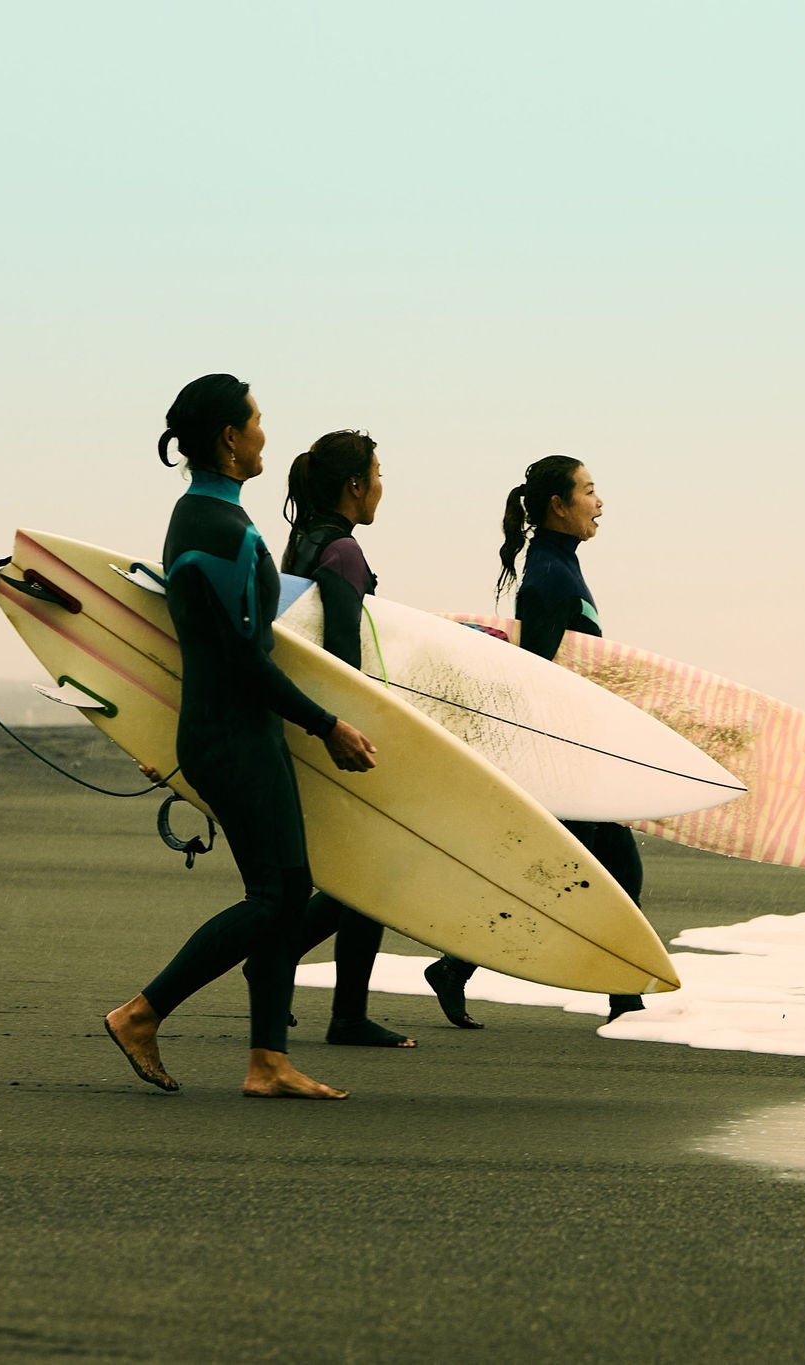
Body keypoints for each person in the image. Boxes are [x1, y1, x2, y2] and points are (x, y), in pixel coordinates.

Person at [102, 375, 376, 1099]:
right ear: (230, 437)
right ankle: (141, 1013)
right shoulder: (217, 531)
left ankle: (268, 1061)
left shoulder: (207, 518)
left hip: (238, 731)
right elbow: (242, 660)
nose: (264, 435)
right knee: (274, 896)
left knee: (287, 888)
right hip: (231, 738)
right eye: (256, 421)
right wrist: (327, 724)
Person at [424, 456, 645, 1028]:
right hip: (563, 758)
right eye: (589, 491)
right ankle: (459, 965)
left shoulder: (559, 564)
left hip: (580, 752)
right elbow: (536, 674)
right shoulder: (549, 575)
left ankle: (624, 998)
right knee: (565, 876)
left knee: (610, 872)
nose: (600, 503)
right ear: (558, 505)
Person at [277, 430, 415, 1048]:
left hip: (305, 719)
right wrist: (351, 728)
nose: (382, 487)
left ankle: (284, 967)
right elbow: (341, 652)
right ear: (355, 485)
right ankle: (342, 1012)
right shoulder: (343, 551)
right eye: (377, 475)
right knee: (369, 874)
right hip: (336, 727)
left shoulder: (303, 541)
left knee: (350, 873)